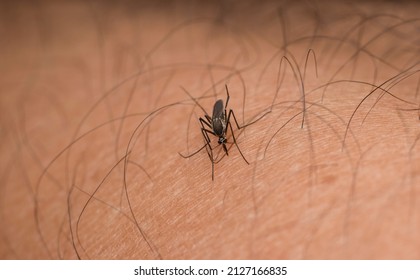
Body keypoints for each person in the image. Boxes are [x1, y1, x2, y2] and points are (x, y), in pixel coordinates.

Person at [0, 0, 419, 259]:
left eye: (219, 138)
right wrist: (212, 146)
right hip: (213, 112)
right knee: (213, 125)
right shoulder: (211, 126)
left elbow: (224, 114)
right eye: (218, 138)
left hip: (222, 108)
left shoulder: (224, 117)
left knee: (232, 117)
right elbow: (213, 123)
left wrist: (231, 132)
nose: (220, 139)